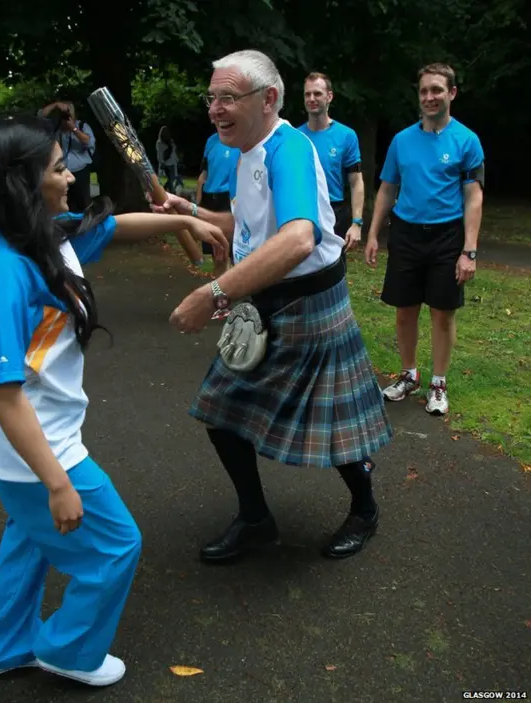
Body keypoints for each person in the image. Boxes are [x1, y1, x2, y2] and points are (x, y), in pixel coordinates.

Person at [0, 116, 226, 686]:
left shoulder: (43, 234)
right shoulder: (5, 271)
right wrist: (57, 483)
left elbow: (111, 226)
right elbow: (4, 393)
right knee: (115, 546)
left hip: (38, 440)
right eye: (59, 169)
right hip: (36, 447)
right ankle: (69, 650)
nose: (70, 177)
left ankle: (4, 646)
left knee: (30, 542)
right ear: (24, 181)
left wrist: (184, 219)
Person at [152, 50, 392, 563]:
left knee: (334, 426)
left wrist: (213, 293)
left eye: (227, 97)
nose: (215, 108)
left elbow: (298, 239)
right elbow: (249, 228)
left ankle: (366, 510)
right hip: (266, 305)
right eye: (211, 97)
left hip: (312, 306)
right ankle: (257, 520)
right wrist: (190, 211)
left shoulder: (289, 150)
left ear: (269, 99)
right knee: (222, 411)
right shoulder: (245, 151)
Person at [365, 63, 484, 416]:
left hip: (447, 235)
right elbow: (387, 188)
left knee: (443, 314)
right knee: (405, 311)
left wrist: (469, 251)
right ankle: (410, 375)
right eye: (424, 91)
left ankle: (438, 383)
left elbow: (473, 197)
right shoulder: (402, 141)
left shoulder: (466, 140)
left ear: (451, 93)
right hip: (406, 233)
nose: (429, 97)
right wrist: (373, 232)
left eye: (436, 90)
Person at [297, 72, 365, 259]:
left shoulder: (346, 136)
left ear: (329, 96)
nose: (311, 99)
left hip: (336, 213)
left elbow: (356, 181)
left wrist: (356, 223)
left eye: (317, 94)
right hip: (304, 210)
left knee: (334, 272)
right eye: (307, 94)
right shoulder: (295, 138)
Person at [196, 131, 241, 278]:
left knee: (235, 251)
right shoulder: (211, 140)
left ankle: (239, 288)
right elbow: (204, 173)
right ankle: (220, 292)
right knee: (217, 250)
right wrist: (198, 203)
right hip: (209, 198)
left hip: (230, 197)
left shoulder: (241, 138)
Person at [41, 101, 96, 213]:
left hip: (83, 171)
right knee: (67, 202)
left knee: (86, 201)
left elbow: (89, 142)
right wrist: (55, 105)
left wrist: (73, 129)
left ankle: (88, 224)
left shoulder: (82, 126)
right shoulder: (56, 129)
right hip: (63, 171)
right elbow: (41, 117)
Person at [156, 126, 184, 193]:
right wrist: (162, 163)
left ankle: (168, 190)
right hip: (167, 164)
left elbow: (174, 152)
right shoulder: (159, 142)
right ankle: (169, 191)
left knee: (172, 179)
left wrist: (178, 161)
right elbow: (160, 154)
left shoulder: (170, 141)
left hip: (172, 163)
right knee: (172, 179)